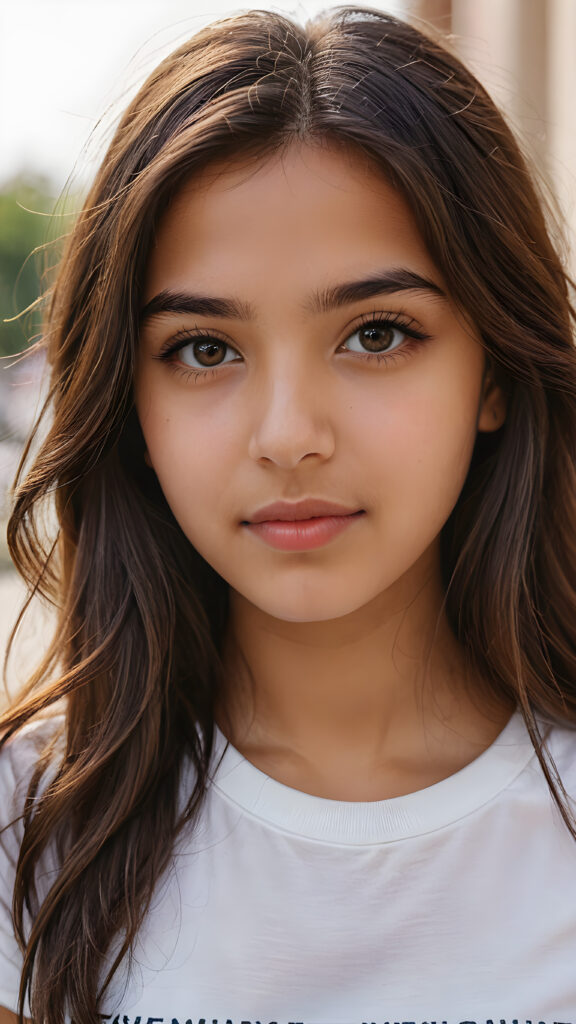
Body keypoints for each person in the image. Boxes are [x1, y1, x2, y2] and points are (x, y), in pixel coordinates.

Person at [1, 5, 576, 1023]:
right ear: (129, 404)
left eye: (378, 333)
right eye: (204, 349)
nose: (287, 434)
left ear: (494, 368)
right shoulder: (29, 830)